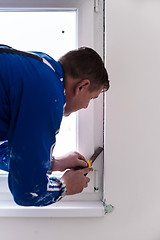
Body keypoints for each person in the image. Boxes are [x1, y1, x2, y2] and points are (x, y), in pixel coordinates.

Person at [0, 44, 109, 206]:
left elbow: (2, 151)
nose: (86, 106)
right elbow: (28, 192)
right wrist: (64, 186)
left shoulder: (40, 68)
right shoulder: (48, 94)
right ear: (82, 86)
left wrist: (52, 163)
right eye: (91, 98)